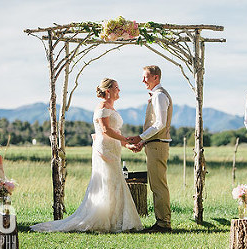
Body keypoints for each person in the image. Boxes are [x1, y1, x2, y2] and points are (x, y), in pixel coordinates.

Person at [31, 78, 142, 233]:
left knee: (115, 181)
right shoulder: (102, 107)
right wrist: (126, 139)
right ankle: (105, 219)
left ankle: (116, 219)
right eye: (117, 87)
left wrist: (127, 144)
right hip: (105, 150)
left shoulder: (111, 108)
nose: (119, 90)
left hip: (114, 148)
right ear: (108, 90)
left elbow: (115, 132)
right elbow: (105, 130)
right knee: (108, 181)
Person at [126, 65, 173, 233]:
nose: (143, 80)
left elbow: (160, 124)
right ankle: (162, 221)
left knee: (158, 185)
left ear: (156, 78)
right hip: (155, 145)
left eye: (146, 77)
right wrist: (143, 142)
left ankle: (163, 224)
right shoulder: (157, 95)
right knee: (156, 184)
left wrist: (140, 137)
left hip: (158, 146)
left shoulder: (159, 96)